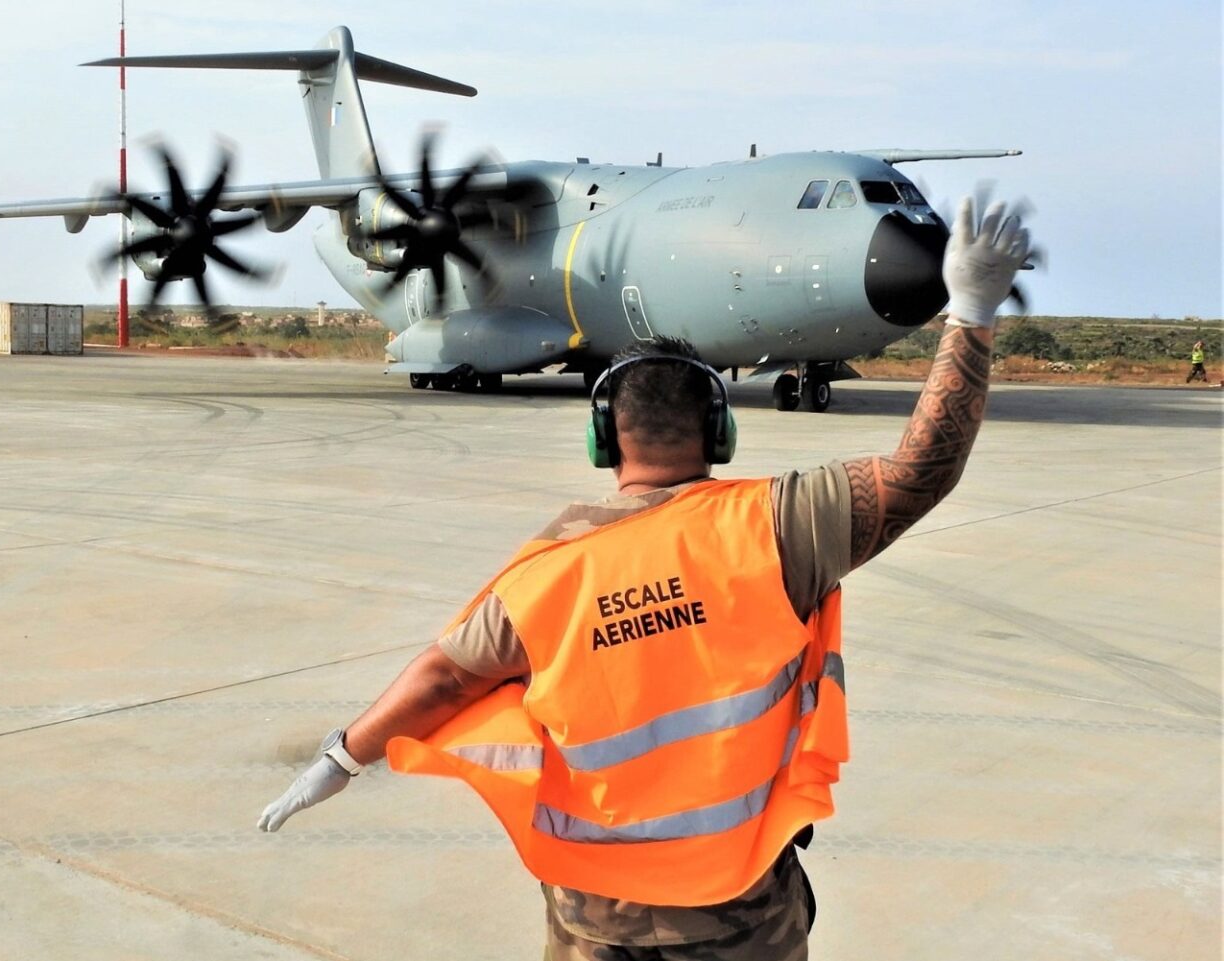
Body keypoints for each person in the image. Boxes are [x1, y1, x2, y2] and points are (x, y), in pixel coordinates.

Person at [258, 196, 1032, 959]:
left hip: (597, 914)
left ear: (605, 439)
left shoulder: (546, 575)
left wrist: (340, 758)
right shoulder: (780, 525)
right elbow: (923, 469)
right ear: (720, 432)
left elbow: (439, 680)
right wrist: (969, 312)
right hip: (739, 906)